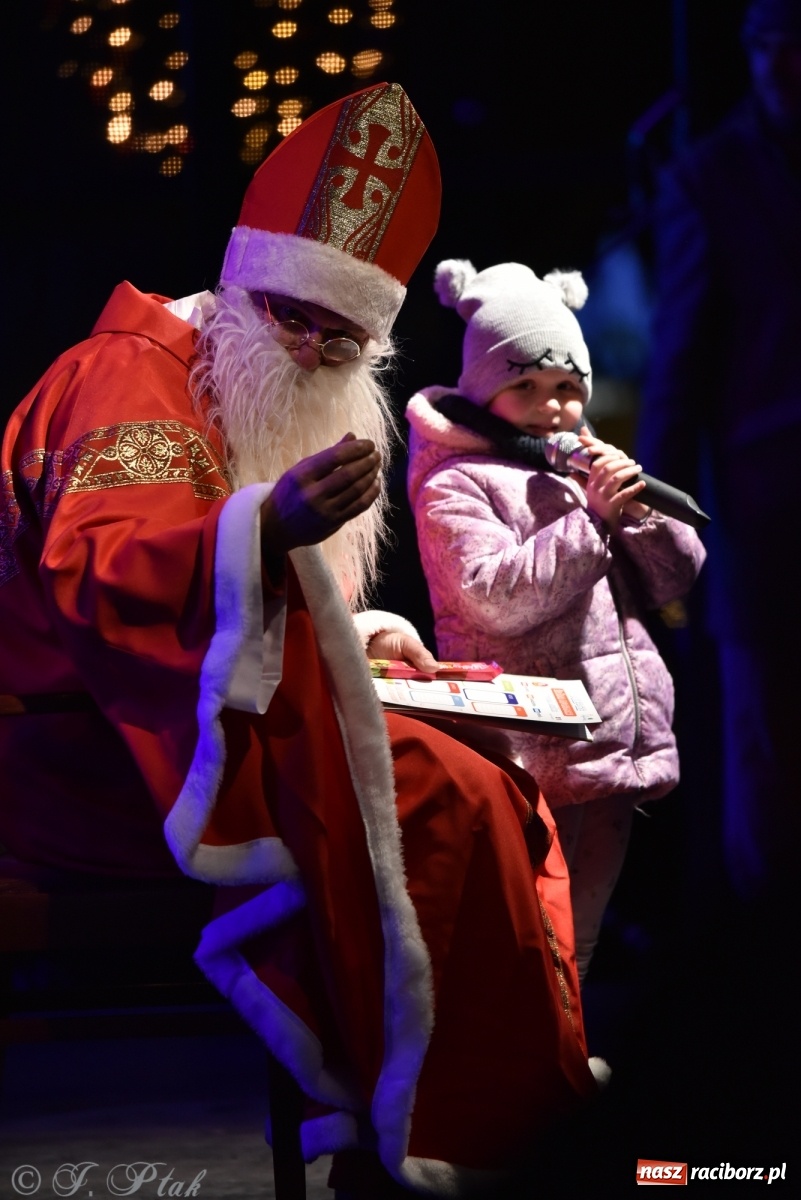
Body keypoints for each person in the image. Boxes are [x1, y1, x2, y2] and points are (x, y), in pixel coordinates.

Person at [0, 84, 603, 1197]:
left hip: (187, 724)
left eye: (346, 341)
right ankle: (428, 1132)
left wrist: (352, 629)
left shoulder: (228, 387)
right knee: (444, 798)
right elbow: (106, 571)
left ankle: (491, 1111)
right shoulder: (126, 379)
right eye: (297, 320)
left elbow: (249, 579)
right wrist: (270, 528)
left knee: (498, 786)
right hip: (82, 754)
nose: (316, 353)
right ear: (243, 290)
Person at [406, 259, 706, 985]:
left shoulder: (579, 474)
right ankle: (532, 1073)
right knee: (531, 933)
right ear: (484, 389)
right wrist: (592, 523)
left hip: (602, 740)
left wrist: (634, 515)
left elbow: (678, 576)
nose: (551, 408)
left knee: (583, 937)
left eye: (568, 389)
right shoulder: (455, 481)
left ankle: (564, 1066)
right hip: (531, 747)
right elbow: (492, 595)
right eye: (525, 387)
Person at [637, 0, 801, 911]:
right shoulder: (711, 176)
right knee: (763, 738)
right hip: (762, 507)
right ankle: (762, 948)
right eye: (766, 49)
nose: (781, 67)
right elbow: (679, 367)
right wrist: (652, 529)